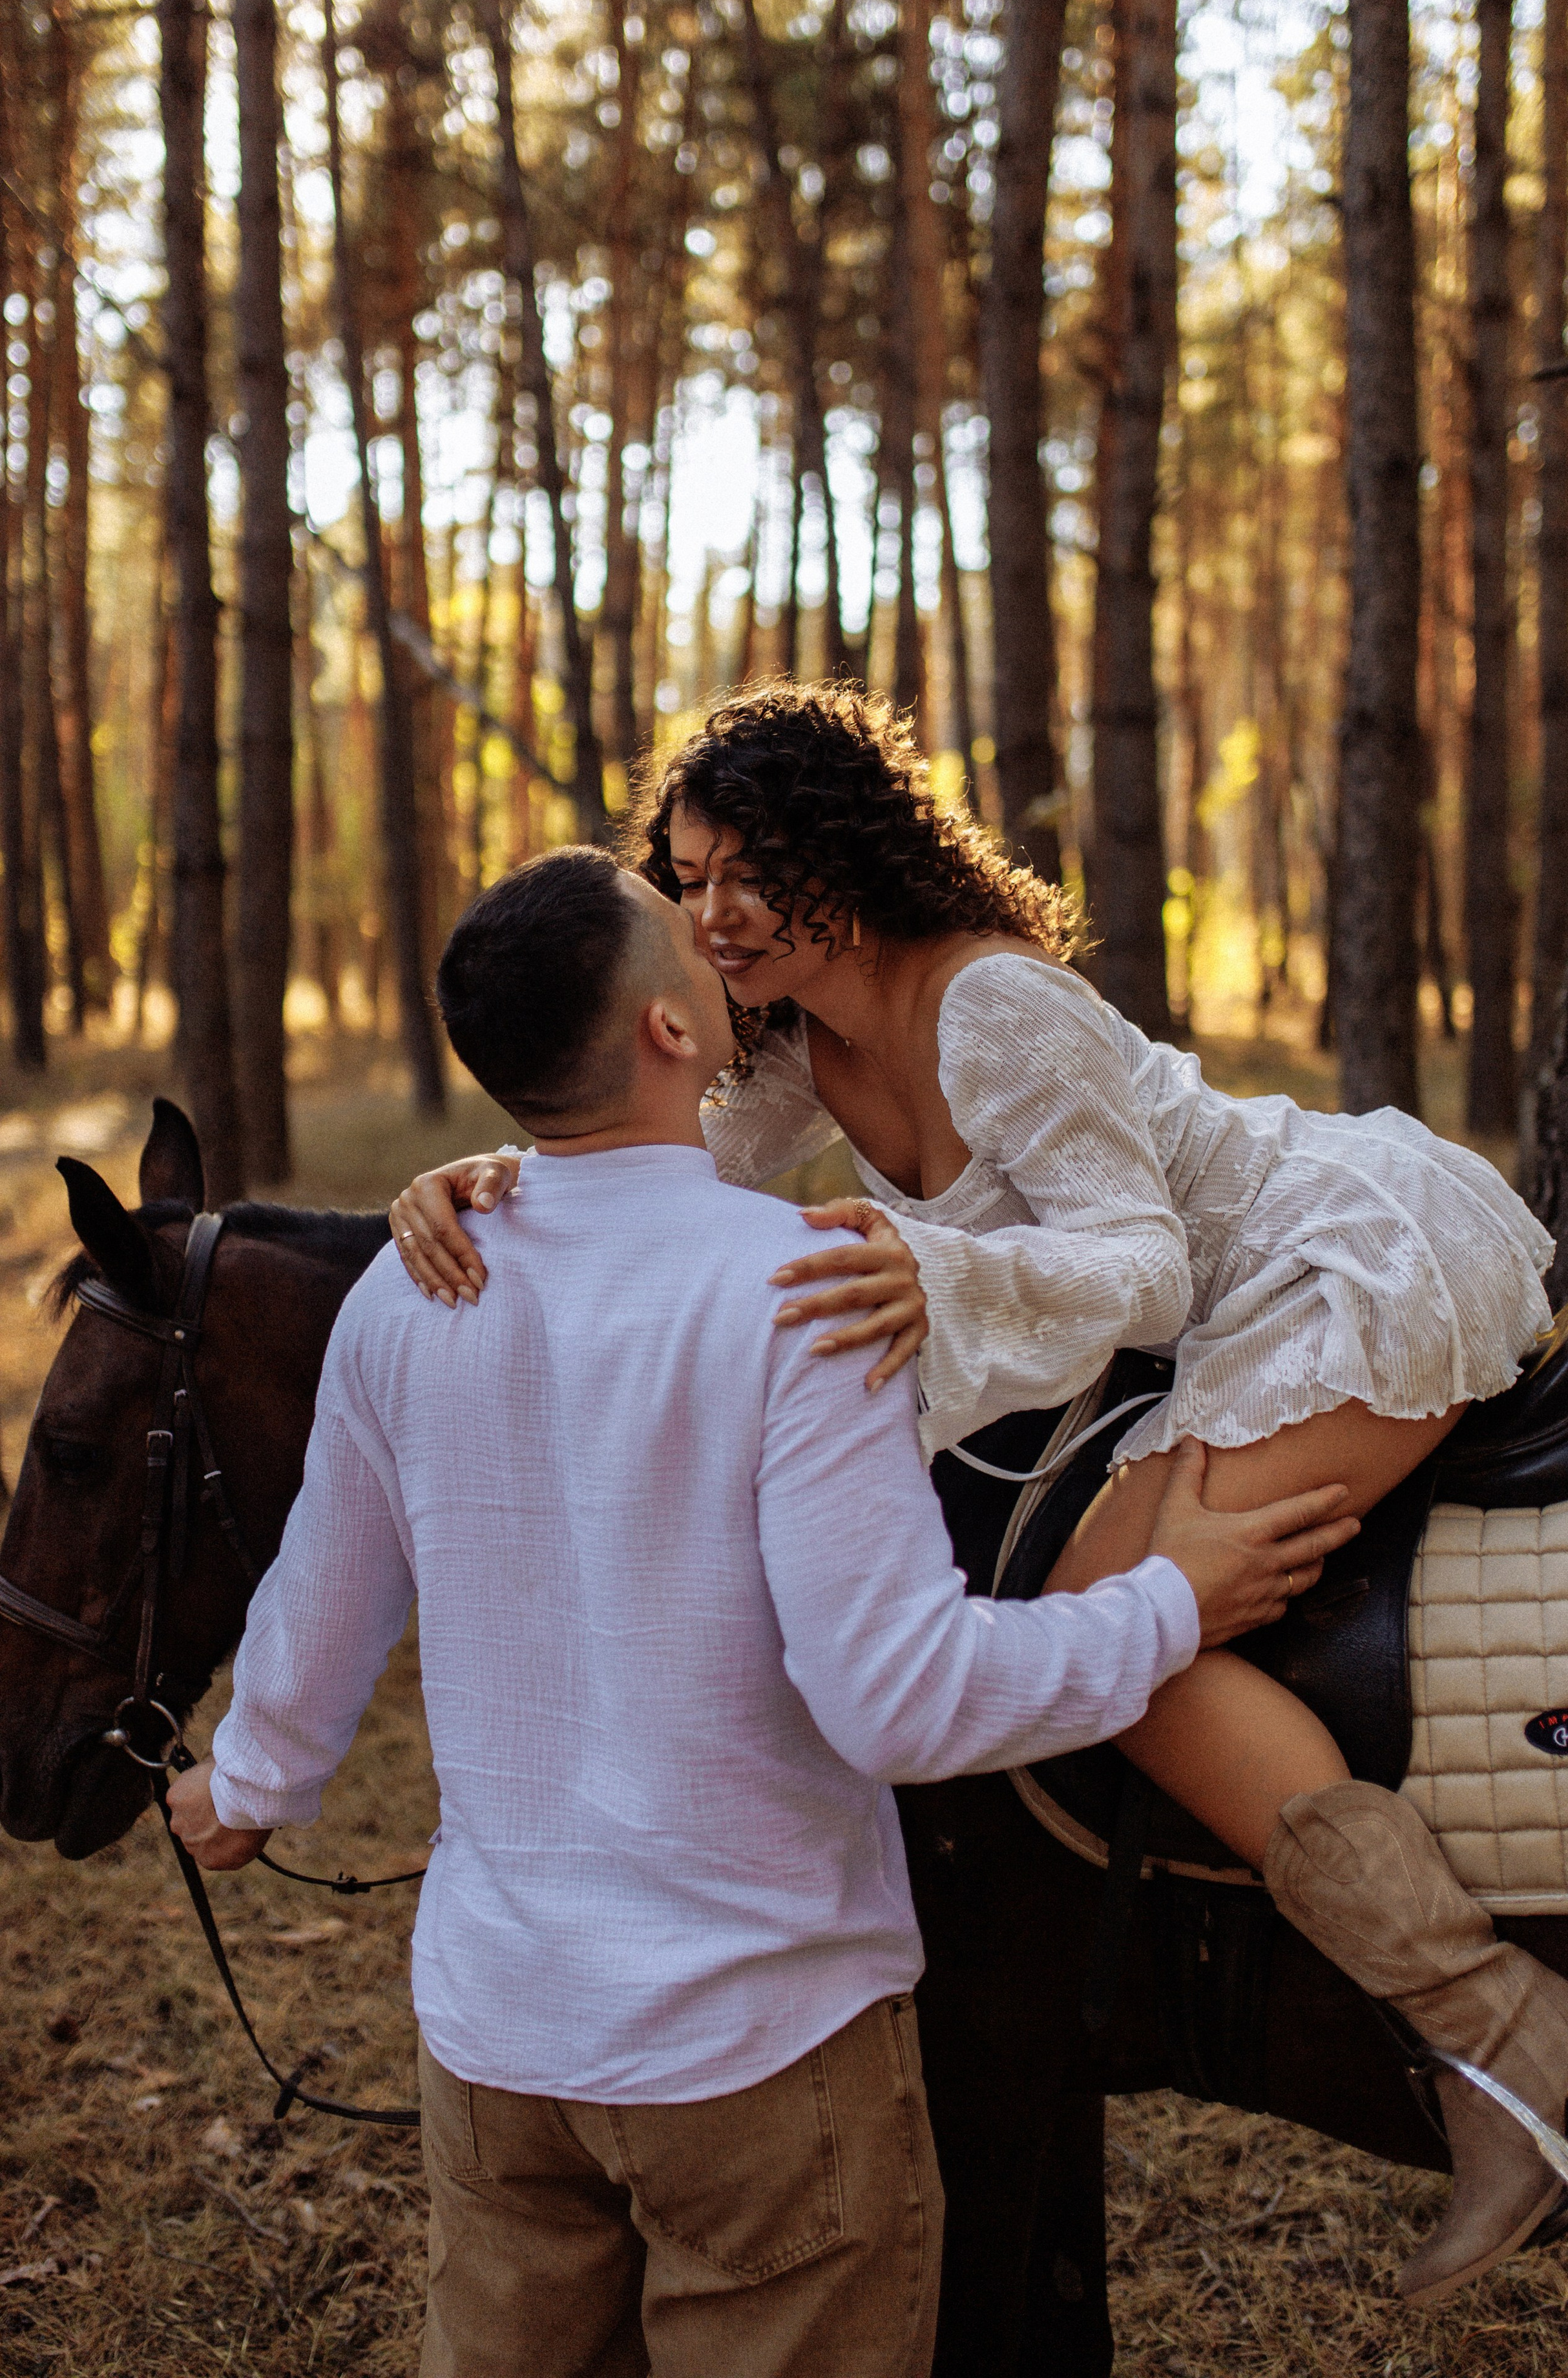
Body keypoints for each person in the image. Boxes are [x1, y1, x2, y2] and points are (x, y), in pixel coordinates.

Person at [395, 682, 1568, 2308]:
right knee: (1114, 1636)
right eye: (688, 880)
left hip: (1326, 1266)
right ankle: (1501, 2047)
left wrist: (922, 1265)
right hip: (1210, 1314)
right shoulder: (782, 1034)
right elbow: (658, 1166)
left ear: (840, 849)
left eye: (742, 871)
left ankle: (1513, 2046)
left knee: (1134, 1641)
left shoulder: (990, 1003)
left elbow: (1134, 1268)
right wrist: (483, 1186)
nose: (710, 915)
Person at [167, 846, 1354, 2378]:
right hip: (758, 2060)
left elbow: (325, 1589)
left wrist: (253, 1782)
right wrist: (1164, 1606)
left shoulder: (411, 1288)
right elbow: (899, 1704)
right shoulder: (813, 1288)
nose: (717, 943)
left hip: (497, 2047)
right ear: (670, 1030)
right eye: (682, 933)